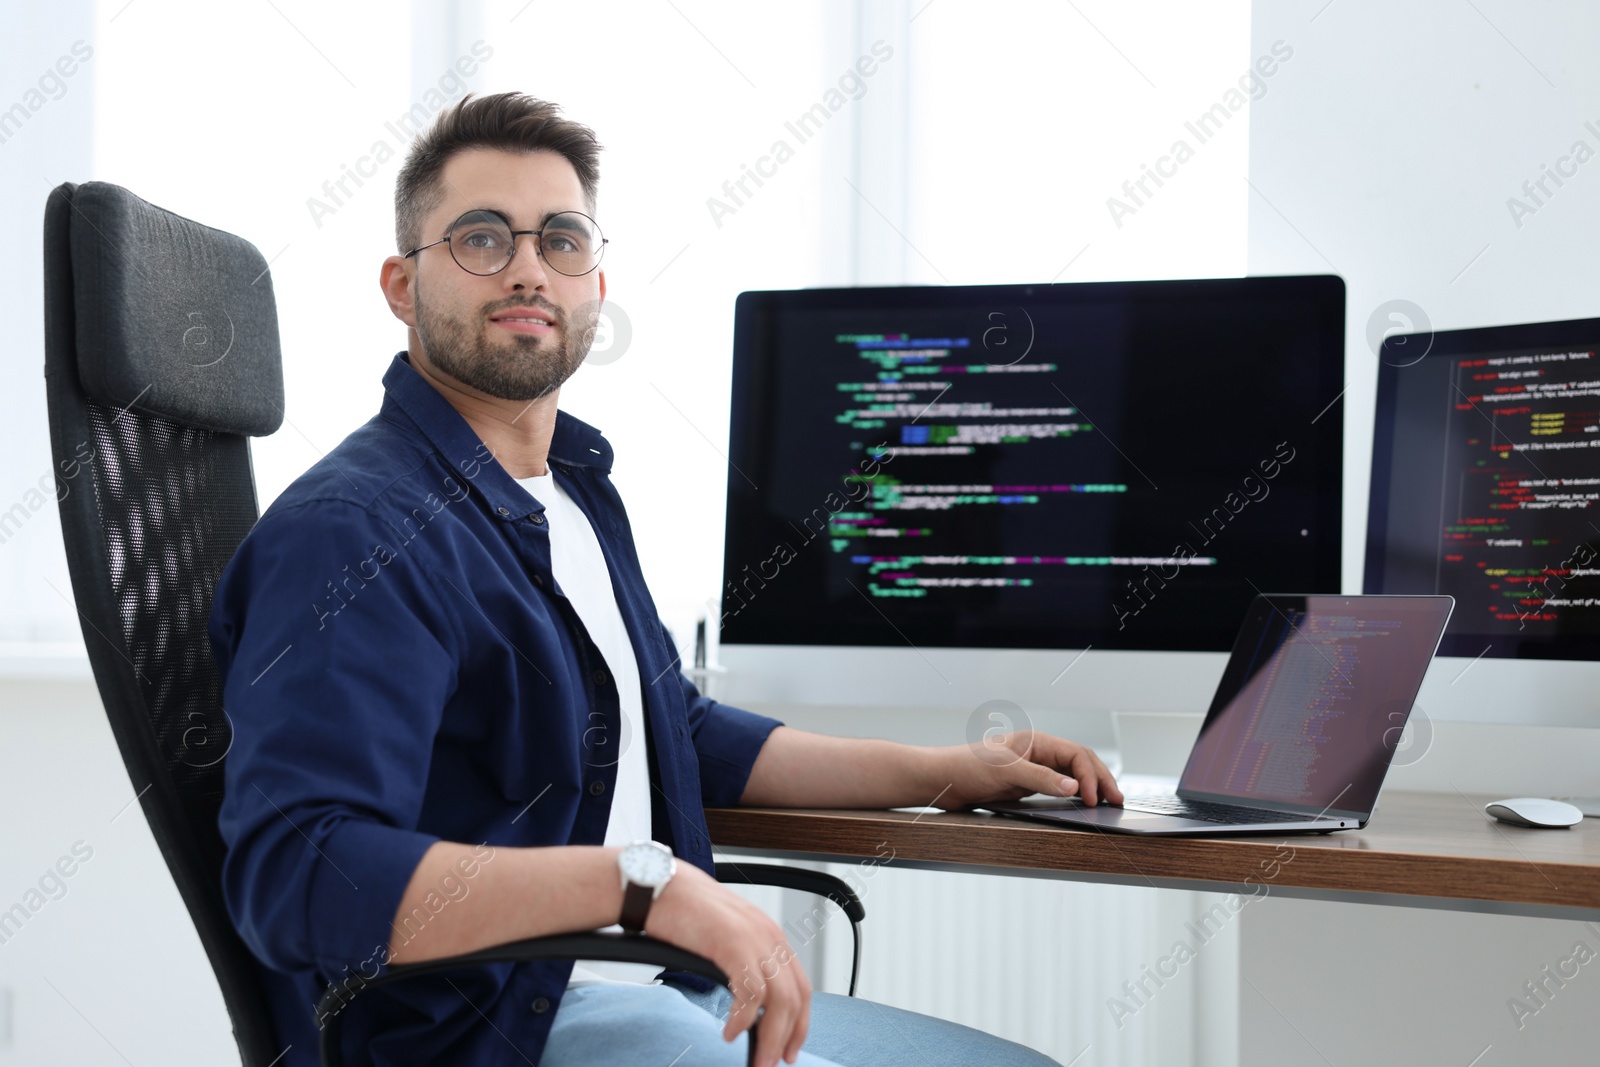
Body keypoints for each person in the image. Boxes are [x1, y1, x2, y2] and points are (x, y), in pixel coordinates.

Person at [208, 91, 1122, 1067]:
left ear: (596, 281)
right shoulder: (359, 532)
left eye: (561, 239)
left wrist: (942, 769)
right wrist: (640, 883)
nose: (527, 267)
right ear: (400, 284)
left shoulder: (571, 492)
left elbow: (675, 729)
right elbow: (299, 873)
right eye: (481, 237)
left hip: (649, 989)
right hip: (500, 1034)